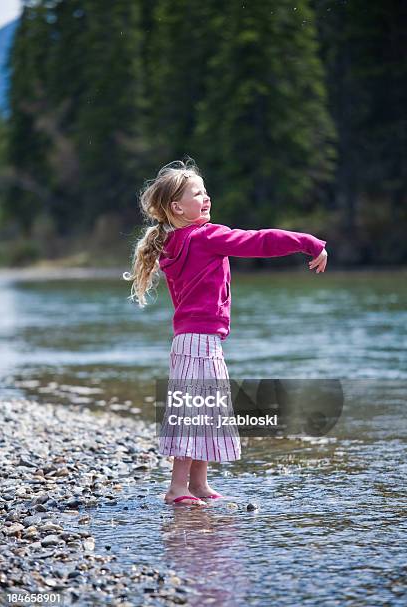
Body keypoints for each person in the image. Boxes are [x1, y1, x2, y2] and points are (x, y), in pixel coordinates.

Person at [123, 158, 328, 506]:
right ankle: (177, 488)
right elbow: (259, 241)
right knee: (193, 411)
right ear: (177, 206)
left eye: (205, 192)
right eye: (197, 193)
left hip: (194, 340)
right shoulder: (205, 236)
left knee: (205, 409)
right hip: (198, 341)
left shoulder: (174, 241)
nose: (206, 198)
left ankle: (199, 484)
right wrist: (308, 242)